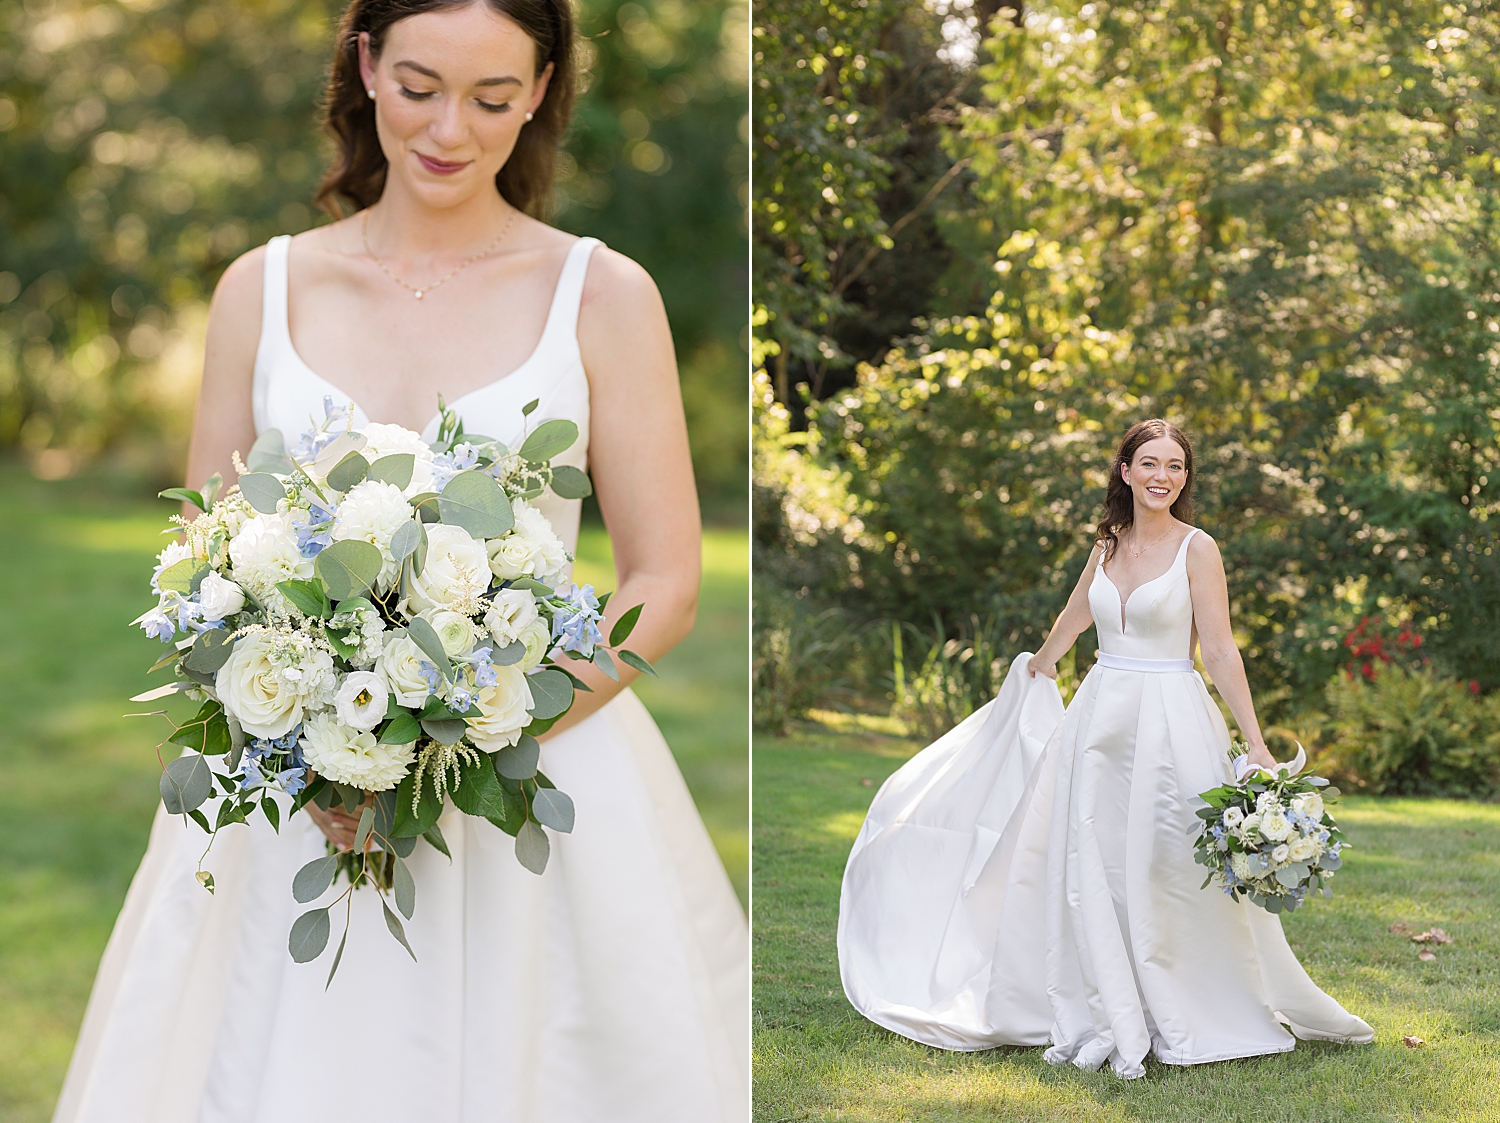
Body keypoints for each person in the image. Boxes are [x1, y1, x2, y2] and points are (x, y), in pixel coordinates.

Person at [52, 2, 748, 1119]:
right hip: (289, 799)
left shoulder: (604, 294)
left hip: (534, 772)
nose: (450, 131)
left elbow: (662, 583)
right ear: (366, 64)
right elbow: (204, 560)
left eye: (490, 97)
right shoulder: (262, 289)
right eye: (421, 86)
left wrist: (469, 743)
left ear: (541, 88)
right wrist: (315, 743)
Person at [837, 418, 1372, 1079]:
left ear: (1185, 478)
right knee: (1091, 856)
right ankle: (1101, 997)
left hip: (1171, 718)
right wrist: (1040, 665)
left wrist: (1256, 740)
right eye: (1150, 462)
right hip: (1099, 718)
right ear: (1125, 470)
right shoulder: (1108, 541)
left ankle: (1175, 1000)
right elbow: (1076, 614)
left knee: (1165, 860)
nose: (1162, 476)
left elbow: (1221, 647)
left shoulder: (1197, 548)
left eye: (1176, 466)